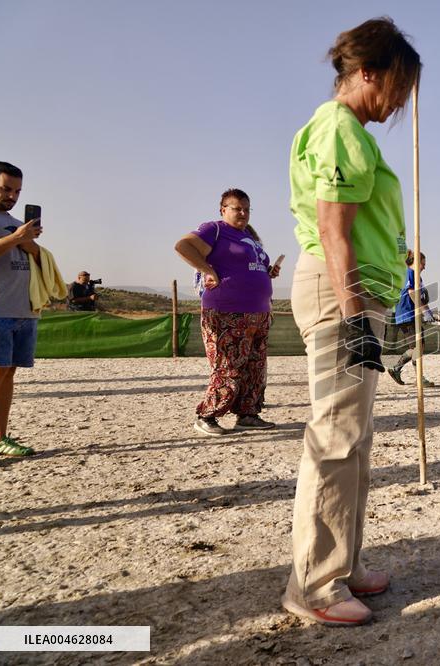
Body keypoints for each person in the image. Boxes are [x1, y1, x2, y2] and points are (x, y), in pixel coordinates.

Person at [284, 17, 421, 627]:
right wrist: (353, 313)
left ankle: (343, 561)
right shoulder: (340, 128)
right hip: (344, 294)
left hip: (359, 295)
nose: (400, 102)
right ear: (367, 72)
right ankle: (315, 585)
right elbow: (333, 229)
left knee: (355, 437)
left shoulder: (349, 132)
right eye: (397, 85)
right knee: (336, 435)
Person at [174, 188, 281, 436]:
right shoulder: (215, 230)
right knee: (228, 366)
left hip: (258, 312)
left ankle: (247, 415)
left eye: (247, 209)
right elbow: (183, 246)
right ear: (223, 210)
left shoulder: (249, 238)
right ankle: (207, 416)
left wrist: (268, 272)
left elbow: (252, 266)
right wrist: (207, 270)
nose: (243, 213)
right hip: (226, 311)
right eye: (237, 208)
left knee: (254, 367)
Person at [0, 161, 43, 457]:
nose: (12, 196)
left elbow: (30, 258)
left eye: (18, 191)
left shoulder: (13, 220)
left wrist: (31, 246)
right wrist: (16, 238)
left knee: (8, 371)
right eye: (6, 188)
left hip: (22, 307)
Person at [387, 250, 440, 387]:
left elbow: (421, 299)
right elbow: (412, 293)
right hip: (406, 315)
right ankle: (419, 378)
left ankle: (396, 369)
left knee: (417, 347)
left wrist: (431, 314)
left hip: (411, 315)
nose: (424, 267)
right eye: (422, 264)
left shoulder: (417, 277)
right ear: (415, 262)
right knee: (418, 346)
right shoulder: (409, 273)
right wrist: (425, 313)